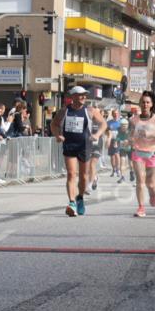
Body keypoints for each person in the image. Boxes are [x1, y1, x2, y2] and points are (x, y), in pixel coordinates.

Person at [50, 86, 106, 216]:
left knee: (84, 176)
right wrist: (58, 135)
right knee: (71, 174)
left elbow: (103, 124)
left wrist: (97, 135)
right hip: (69, 145)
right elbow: (54, 124)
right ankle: (71, 202)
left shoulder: (90, 111)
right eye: (80, 95)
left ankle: (80, 197)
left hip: (84, 146)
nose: (83, 97)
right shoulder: (64, 111)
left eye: (85, 95)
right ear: (73, 96)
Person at [128, 91, 155, 217]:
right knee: (140, 181)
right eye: (143, 102)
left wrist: (149, 134)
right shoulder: (134, 120)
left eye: (147, 102)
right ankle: (141, 208)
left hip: (152, 153)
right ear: (140, 104)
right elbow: (130, 135)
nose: (145, 104)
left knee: (151, 184)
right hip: (138, 152)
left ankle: (153, 195)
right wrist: (130, 140)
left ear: (152, 104)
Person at [107, 108, 123, 183]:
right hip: (111, 140)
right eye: (114, 113)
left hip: (118, 140)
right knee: (112, 156)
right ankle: (114, 170)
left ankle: (118, 170)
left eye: (117, 113)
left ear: (118, 114)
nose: (115, 115)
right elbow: (106, 131)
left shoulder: (121, 122)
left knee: (117, 154)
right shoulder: (109, 122)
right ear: (112, 114)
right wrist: (108, 139)